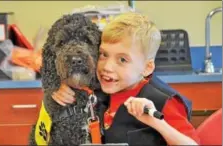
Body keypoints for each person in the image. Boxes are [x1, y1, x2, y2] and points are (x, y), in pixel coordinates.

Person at [52, 12, 200, 145]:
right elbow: (72, 85)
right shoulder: (102, 86)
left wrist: (158, 123)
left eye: (122, 60)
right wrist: (62, 89)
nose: (107, 67)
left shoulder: (163, 101)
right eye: (104, 54)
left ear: (147, 68)